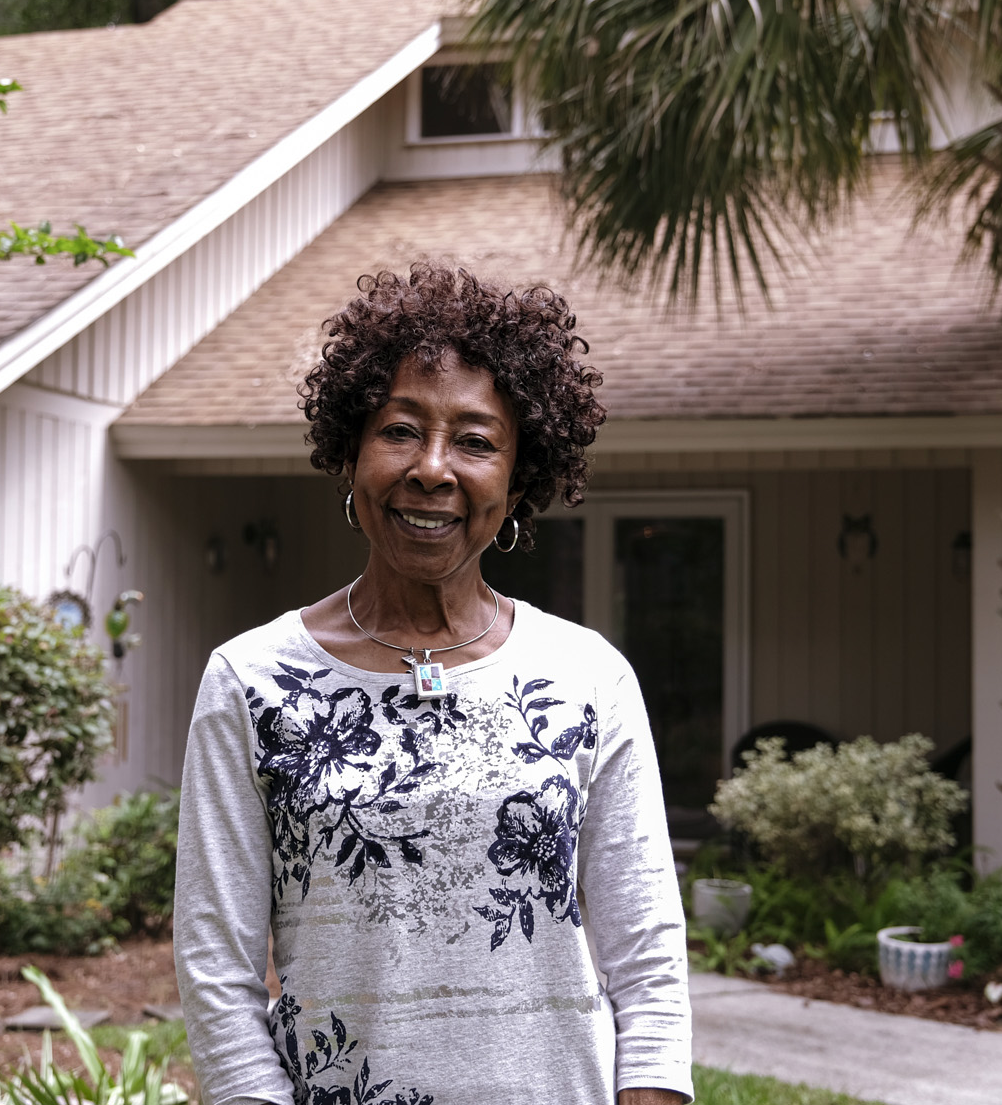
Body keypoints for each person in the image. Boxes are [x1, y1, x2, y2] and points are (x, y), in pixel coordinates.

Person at [173, 264, 692, 1105]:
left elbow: (648, 962)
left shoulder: (588, 675)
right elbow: (215, 968)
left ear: (520, 480)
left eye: (477, 440)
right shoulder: (251, 679)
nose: (432, 469)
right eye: (400, 430)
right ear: (348, 453)